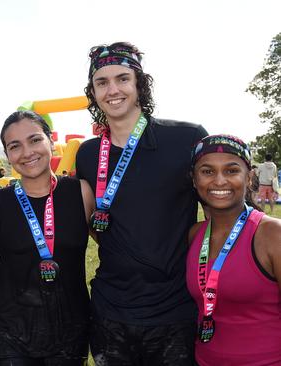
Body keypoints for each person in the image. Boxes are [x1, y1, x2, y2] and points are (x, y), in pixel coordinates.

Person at [75, 42, 208, 365]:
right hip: (111, 311)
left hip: (174, 311)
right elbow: (97, 220)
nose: (113, 90)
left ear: (139, 83)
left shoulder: (187, 139)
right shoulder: (89, 153)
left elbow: (224, 212)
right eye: (102, 82)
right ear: (93, 92)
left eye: (122, 78)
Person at [0, 110, 94, 365]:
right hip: (8, 332)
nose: (27, 152)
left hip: (70, 329)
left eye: (35, 140)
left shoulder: (81, 192)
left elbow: (112, 243)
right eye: (15, 146)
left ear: (50, 141)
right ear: (8, 154)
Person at [186, 134, 281, 365]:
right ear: (194, 179)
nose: (219, 181)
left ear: (249, 178)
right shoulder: (195, 235)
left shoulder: (272, 234)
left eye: (231, 171)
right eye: (207, 171)